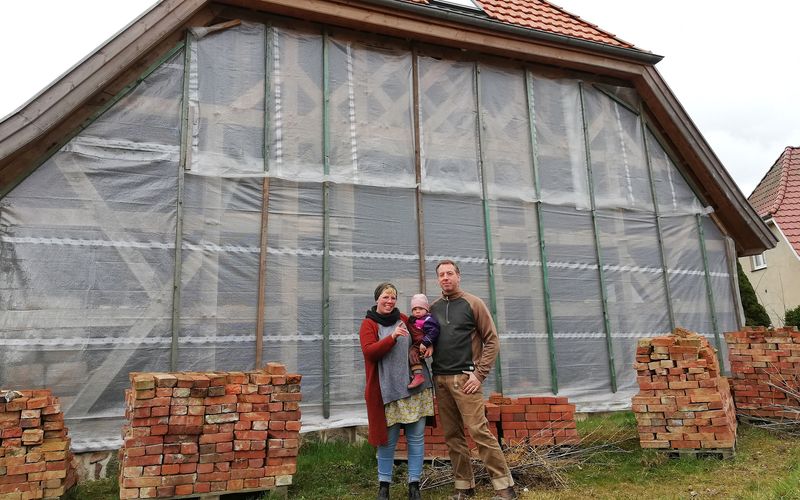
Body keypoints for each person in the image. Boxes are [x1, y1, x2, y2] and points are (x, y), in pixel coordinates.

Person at [429, 260, 517, 500]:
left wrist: (479, 375)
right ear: (437, 279)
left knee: (479, 432)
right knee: (453, 437)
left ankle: (505, 489)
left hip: (465, 380)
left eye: (449, 273)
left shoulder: (473, 303)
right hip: (441, 380)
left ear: (458, 276)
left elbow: (492, 340)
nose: (445, 278)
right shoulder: (433, 308)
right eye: (441, 275)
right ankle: (464, 488)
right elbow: (428, 339)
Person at [360, 282, 435, 500]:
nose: (389, 301)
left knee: (416, 438)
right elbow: (370, 353)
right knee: (387, 441)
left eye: (393, 297)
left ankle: (414, 485)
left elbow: (419, 335)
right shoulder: (369, 324)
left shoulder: (403, 317)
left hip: (415, 388)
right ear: (377, 299)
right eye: (385, 297)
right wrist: (391, 337)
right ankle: (384, 486)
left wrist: (427, 345)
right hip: (388, 391)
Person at [406, 293, 440, 389]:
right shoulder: (413, 319)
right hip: (417, 343)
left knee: (412, 354)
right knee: (412, 355)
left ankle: (418, 376)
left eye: (420, 309)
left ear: (426, 309)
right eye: (414, 309)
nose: (417, 311)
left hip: (421, 343)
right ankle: (416, 374)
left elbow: (434, 331)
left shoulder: (428, 320)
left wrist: (426, 342)